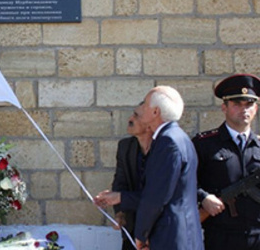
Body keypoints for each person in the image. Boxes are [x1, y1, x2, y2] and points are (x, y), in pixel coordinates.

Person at [94, 86, 203, 250]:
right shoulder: (177, 137)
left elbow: (155, 198)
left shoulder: (168, 142)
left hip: (169, 237)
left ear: (155, 112)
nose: (140, 108)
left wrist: (141, 235)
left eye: (145, 104)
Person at [193, 74, 260, 250]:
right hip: (221, 237)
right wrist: (204, 197)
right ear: (224, 107)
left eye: (249, 104)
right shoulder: (204, 144)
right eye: (237, 104)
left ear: (256, 109)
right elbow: (185, 181)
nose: (243, 110)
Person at [95, 107, 154, 250]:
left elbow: (158, 196)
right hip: (132, 228)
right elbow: (120, 182)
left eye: (136, 116)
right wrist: (120, 214)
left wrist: (120, 197)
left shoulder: (165, 149)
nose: (130, 119)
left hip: (158, 230)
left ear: (150, 123)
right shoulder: (125, 147)